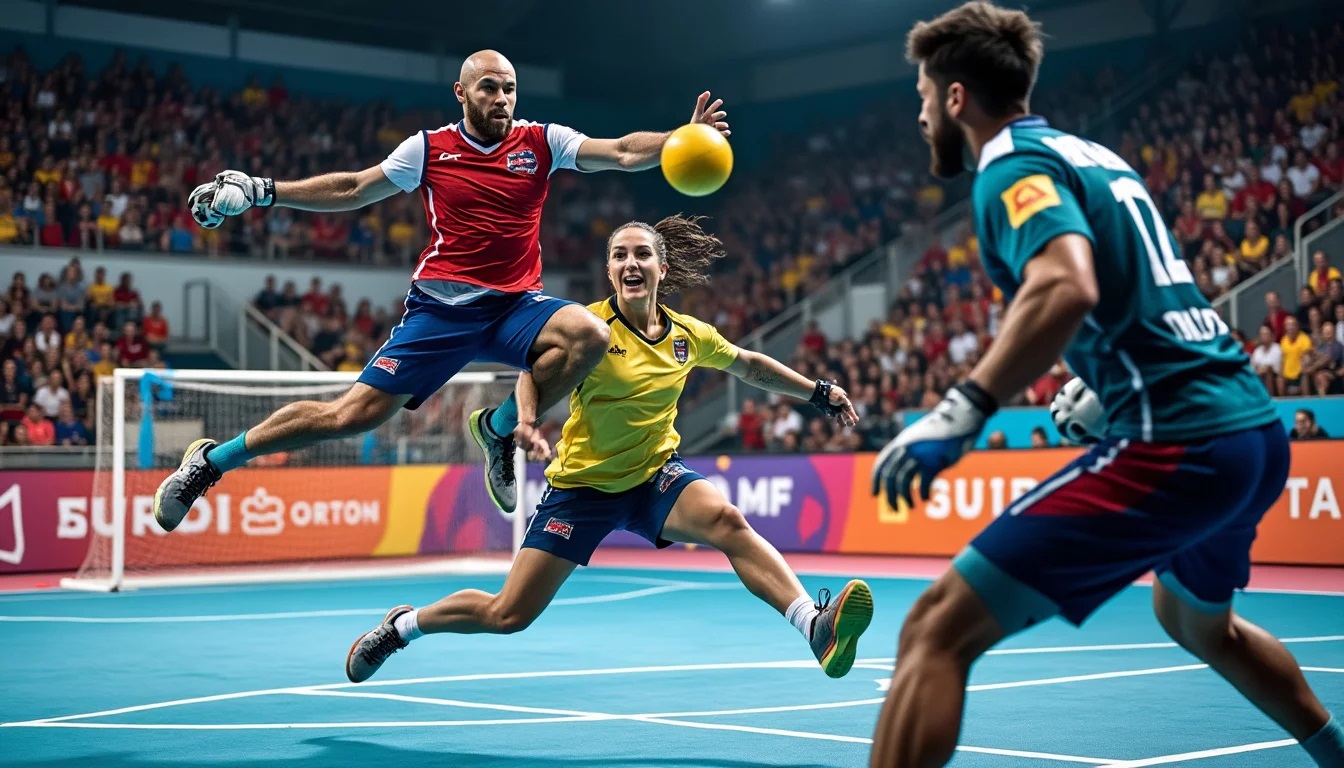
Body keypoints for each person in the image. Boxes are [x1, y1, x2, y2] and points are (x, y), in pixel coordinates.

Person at [867, 4, 1344, 767]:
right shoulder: (1092, 154)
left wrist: (962, 411)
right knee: (1196, 624)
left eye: (923, 95)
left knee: (934, 629)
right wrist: (1109, 383)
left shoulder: (1010, 169)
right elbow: (1149, 291)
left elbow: (1064, 286)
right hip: (1251, 428)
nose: (920, 114)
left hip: (1179, 441)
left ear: (955, 97)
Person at [152, 50, 732, 529]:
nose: (501, 99)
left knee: (588, 332)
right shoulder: (427, 150)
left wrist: (682, 137)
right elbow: (353, 188)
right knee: (349, 416)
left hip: (515, 306)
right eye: (488, 88)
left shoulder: (541, 141)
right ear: (461, 92)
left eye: (508, 89)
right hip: (443, 308)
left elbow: (624, 153)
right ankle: (211, 461)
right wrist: (262, 190)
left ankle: (497, 429)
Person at [345, 215, 874, 685]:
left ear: (661, 269)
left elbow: (748, 364)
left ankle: (813, 625)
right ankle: (403, 627)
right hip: (581, 489)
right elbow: (530, 373)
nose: (631, 263)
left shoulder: (689, 335)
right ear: (610, 272)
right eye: (620, 255)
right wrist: (524, 424)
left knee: (728, 522)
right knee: (508, 613)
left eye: (642, 253)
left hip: (653, 477)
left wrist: (818, 392)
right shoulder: (587, 329)